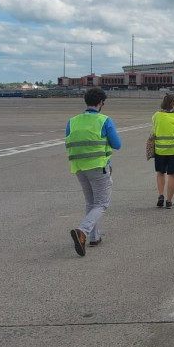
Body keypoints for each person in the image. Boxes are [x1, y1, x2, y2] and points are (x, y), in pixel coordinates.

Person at [65, 87, 122, 257]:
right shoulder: (104, 120)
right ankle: (82, 231)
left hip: (79, 167)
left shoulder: (72, 121)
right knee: (102, 203)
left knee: (91, 202)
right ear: (100, 103)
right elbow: (117, 144)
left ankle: (93, 238)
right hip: (98, 167)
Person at [152, 93, 174, 209]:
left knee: (160, 172)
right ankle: (169, 201)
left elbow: (154, 129)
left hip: (160, 149)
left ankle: (160, 195)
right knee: (172, 174)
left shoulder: (156, 115)